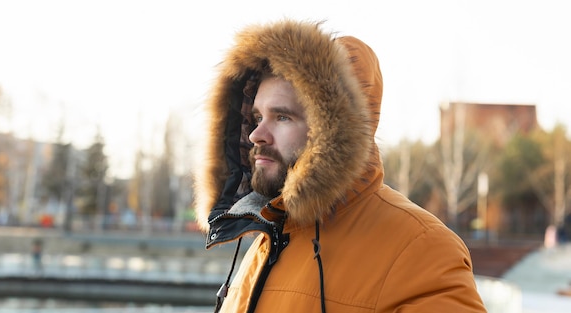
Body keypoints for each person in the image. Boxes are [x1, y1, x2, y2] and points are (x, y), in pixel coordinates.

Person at [193, 19, 487, 313]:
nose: (256, 134)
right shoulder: (267, 241)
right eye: (257, 118)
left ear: (329, 130)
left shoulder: (420, 249)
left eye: (282, 116)